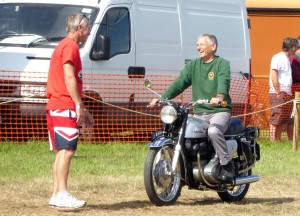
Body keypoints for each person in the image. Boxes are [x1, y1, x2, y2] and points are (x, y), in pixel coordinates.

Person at [149, 34, 234, 182]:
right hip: (199, 113)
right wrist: (163, 98)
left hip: (219, 112)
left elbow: (223, 81)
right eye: (197, 44)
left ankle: (226, 165)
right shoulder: (193, 65)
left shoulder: (222, 64)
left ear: (213, 47)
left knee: (213, 131)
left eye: (201, 44)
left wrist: (219, 97)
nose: (198, 47)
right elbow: (180, 82)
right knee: (183, 130)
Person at [46, 13, 94, 209]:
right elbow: (69, 77)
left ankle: (57, 193)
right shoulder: (70, 46)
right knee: (67, 151)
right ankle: (62, 194)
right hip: (64, 105)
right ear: (79, 28)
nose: (89, 32)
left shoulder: (63, 45)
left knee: (62, 152)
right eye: (88, 28)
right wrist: (78, 105)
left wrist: (83, 107)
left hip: (57, 106)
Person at [269, 37, 298, 141]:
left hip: (286, 93)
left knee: (283, 118)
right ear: (291, 47)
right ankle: (273, 140)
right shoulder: (278, 57)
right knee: (276, 117)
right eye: (295, 47)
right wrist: (278, 91)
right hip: (278, 93)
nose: (296, 49)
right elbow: (274, 74)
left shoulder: (286, 59)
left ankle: (278, 140)